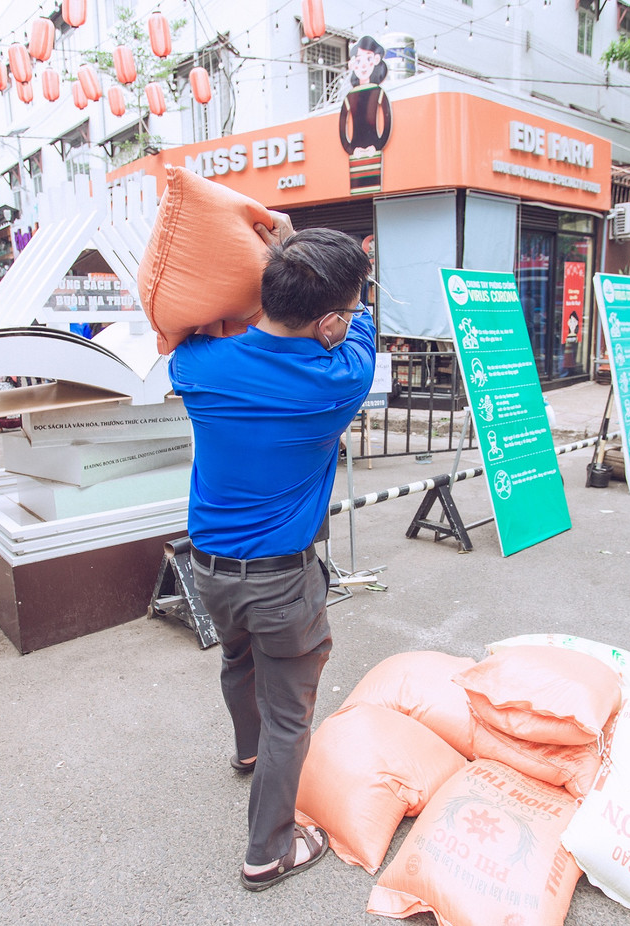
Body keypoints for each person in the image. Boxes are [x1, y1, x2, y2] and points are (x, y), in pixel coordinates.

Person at [170, 225, 375, 892]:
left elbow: (188, 330)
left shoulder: (199, 367)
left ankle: (247, 751)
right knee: (293, 716)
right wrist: (313, 267)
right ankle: (268, 853)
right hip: (283, 581)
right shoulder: (339, 380)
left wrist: (279, 254)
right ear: (330, 319)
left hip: (207, 571)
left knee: (236, 659)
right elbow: (359, 326)